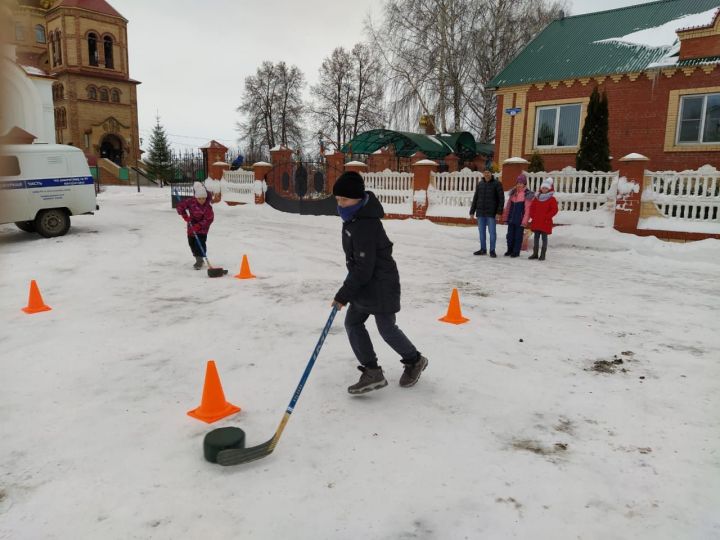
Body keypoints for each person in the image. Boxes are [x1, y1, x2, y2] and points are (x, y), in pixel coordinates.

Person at [331, 171, 428, 395]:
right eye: (337, 200)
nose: (340, 204)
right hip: (365, 284)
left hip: (381, 285)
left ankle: (414, 360)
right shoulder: (353, 219)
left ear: (357, 198)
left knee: (386, 328)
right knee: (353, 324)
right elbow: (358, 264)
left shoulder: (365, 224)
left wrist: (343, 295)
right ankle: (372, 371)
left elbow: (364, 268)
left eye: (344, 199)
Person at [176, 181, 214, 270]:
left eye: (203, 198)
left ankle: (199, 260)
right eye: (199, 198)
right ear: (196, 197)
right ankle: (197, 258)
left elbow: (209, 219)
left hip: (203, 229)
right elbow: (180, 206)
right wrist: (184, 215)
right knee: (192, 243)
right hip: (191, 226)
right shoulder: (191, 202)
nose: (201, 200)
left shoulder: (208, 207)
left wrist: (199, 226)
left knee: (200, 243)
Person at [469, 169, 505, 257]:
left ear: (491, 173)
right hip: (480, 212)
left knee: (492, 232)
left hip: (491, 213)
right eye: (485, 172)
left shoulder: (497, 184)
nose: (486, 174)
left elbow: (501, 199)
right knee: (481, 232)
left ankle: (492, 250)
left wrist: (499, 212)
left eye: (488, 172)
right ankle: (483, 249)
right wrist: (472, 211)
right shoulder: (480, 184)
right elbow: (475, 198)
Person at [501, 174, 534, 258]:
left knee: (518, 236)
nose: (519, 184)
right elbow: (508, 207)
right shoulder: (513, 193)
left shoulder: (527, 194)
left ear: (524, 184)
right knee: (509, 235)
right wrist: (505, 218)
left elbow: (528, 210)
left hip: (520, 220)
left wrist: (524, 221)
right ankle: (510, 250)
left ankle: (516, 252)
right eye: (518, 183)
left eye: (521, 183)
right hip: (511, 218)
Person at [528, 177, 558, 261]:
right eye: (543, 188)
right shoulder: (537, 198)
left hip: (545, 221)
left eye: (546, 188)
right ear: (541, 188)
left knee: (544, 238)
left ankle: (543, 254)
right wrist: (533, 216)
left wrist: (547, 216)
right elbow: (532, 208)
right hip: (537, 221)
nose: (544, 189)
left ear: (549, 189)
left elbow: (554, 210)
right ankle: (535, 253)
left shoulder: (552, 199)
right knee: (536, 238)